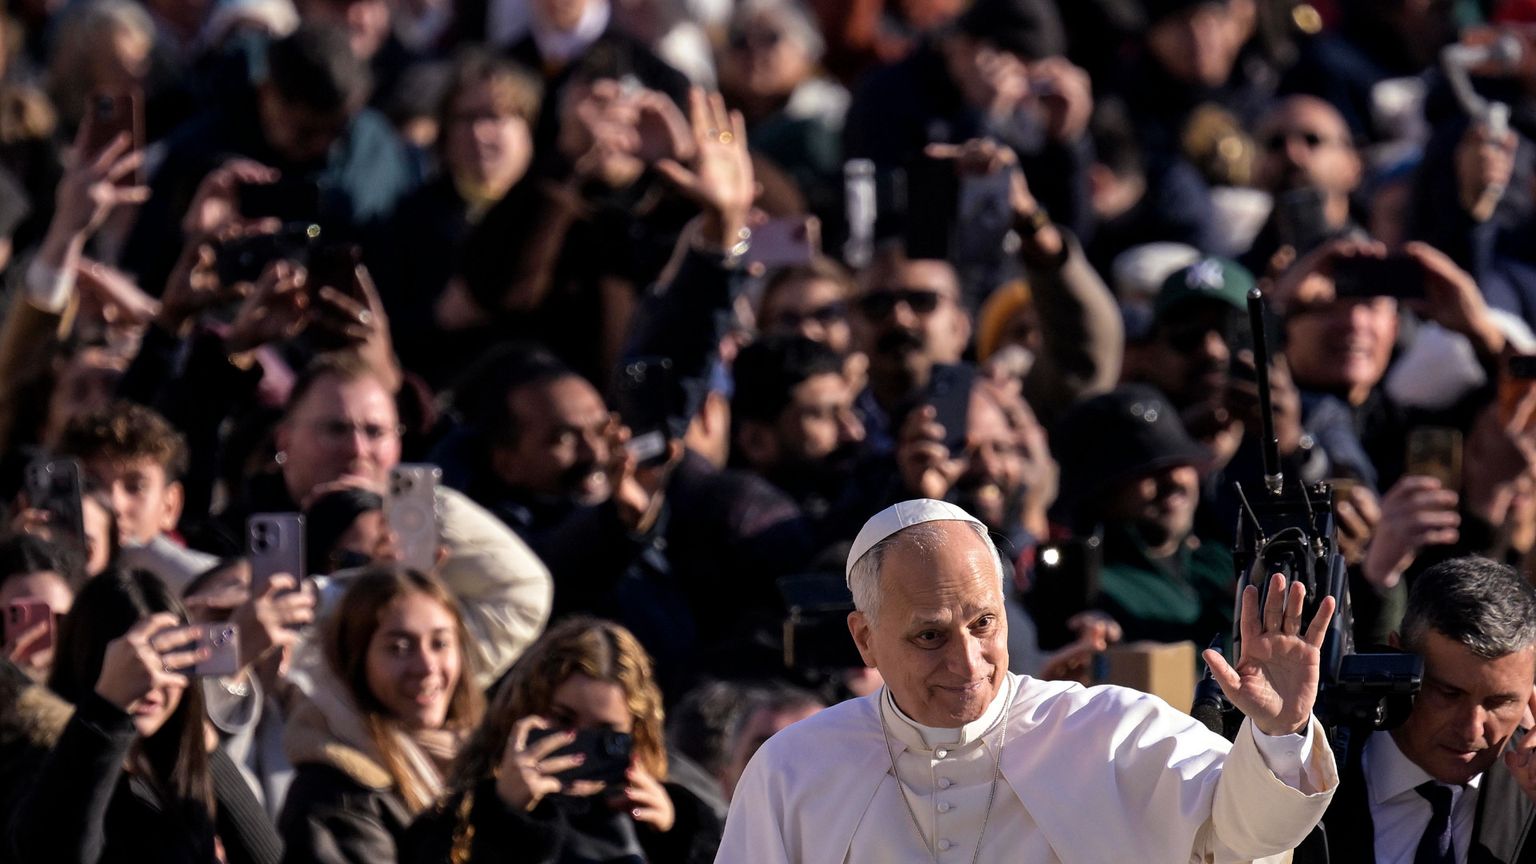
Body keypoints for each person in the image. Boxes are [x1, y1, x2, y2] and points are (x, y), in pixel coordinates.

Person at [718, 498, 1339, 861]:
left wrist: (1279, 734)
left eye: (984, 623)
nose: (968, 664)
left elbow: (1247, 835)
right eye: (930, 635)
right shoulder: (793, 771)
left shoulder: (1110, 733)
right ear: (865, 639)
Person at [2, 567, 282, 864]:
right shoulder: (35, 754)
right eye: (135, 664)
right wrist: (108, 709)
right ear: (89, 659)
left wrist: (207, 749)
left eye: (170, 660)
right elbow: (57, 852)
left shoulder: (175, 764)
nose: (152, 681)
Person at [406, 616, 724, 863]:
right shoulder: (457, 821)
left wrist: (679, 839)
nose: (579, 745)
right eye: (563, 720)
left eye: (604, 732)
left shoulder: (657, 821)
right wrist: (505, 819)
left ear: (635, 733)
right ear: (523, 713)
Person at [1292, 556, 1536, 863]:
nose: (1472, 729)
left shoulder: (1528, 800)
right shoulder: (1301, 772)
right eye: (1449, 694)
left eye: (1499, 702)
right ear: (1397, 659)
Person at [279, 566, 484, 864]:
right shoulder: (336, 796)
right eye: (399, 648)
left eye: (440, 643)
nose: (427, 666)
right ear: (355, 659)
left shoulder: (482, 761)